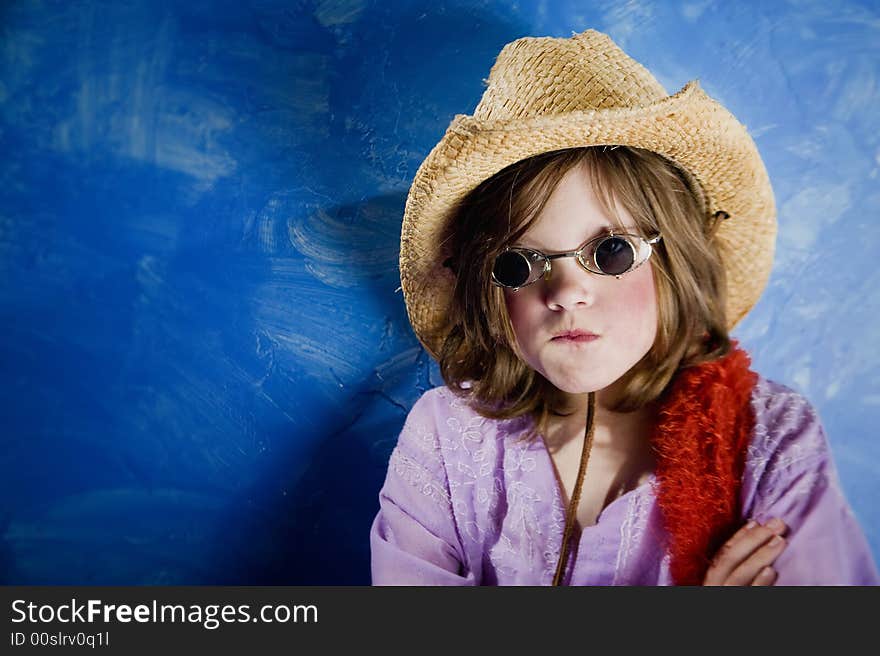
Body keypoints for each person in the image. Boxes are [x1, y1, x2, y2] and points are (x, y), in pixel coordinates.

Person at [369, 29, 879, 585]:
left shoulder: (769, 438)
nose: (565, 292)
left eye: (611, 253)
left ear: (675, 262)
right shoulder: (446, 438)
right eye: (520, 264)